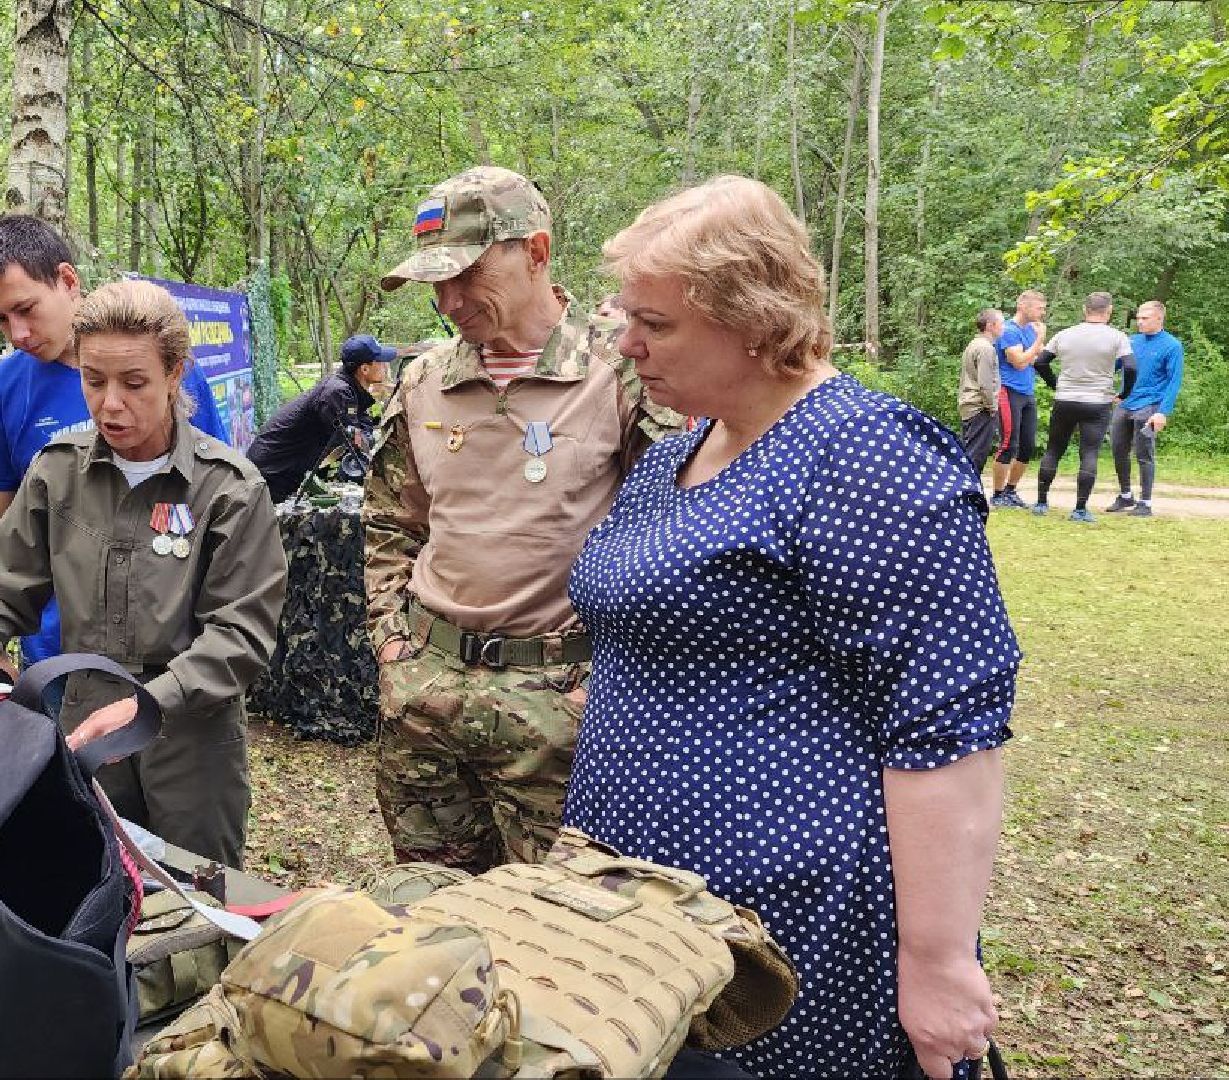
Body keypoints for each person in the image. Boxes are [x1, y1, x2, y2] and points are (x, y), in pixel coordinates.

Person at [565, 175, 1016, 1079]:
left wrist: (936, 961)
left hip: (795, 927)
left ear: (753, 320)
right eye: (626, 318)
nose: (626, 344)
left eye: (654, 323)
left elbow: (944, 729)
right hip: (639, 905)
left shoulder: (863, 454)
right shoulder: (675, 452)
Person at [363, 165, 682, 874]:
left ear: (536, 252)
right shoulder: (423, 382)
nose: (448, 301)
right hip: (425, 702)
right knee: (435, 909)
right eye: (434, 283)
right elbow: (390, 522)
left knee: (551, 920)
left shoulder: (621, 372)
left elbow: (673, 539)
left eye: (467, 274)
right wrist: (391, 646)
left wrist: (609, 683)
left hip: (559, 712)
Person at [0, 279, 287, 867]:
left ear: (175, 374)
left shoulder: (228, 489)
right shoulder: (57, 474)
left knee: (194, 894)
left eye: (134, 383)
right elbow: (4, 590)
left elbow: (241, 633)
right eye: (94, 381)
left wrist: (149, 704)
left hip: (191, 737)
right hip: (85, 721)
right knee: (91, 881)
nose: (110, 404)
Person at [0, 214, 231, 664]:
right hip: (55, 653)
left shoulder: (168, 373)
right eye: (0, 319)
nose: (17, 334)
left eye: (26, 309)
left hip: (169, 652)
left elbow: (214, 498)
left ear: (67, 280)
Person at [245, 333, 394, 503]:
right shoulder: (337, 392)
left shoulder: (350, 389)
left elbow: (362, 430)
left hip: (287, 470)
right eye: (380, 361)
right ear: (364, 369)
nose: (385, 366)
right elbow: (353, 443)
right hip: (272, 473)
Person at [1033, 292, 1132, 521]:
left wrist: (1055, 384)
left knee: (1053, 449)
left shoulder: (1065, 334)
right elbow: (1131, 367)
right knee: (1089, 452)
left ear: (1084, 310)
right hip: (1097, 402)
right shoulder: (1117, 337)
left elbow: (1040, 362)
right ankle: (1079, 509)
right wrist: (1124, 393)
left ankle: (1041, 503)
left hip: (1066, 399)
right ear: (1109, 311)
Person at [1107, 300, 1185, 517]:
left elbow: (1174, 382)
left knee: (1143, 453)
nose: (1139, 322)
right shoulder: (1131, 341)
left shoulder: (1172, 345)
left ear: (1159, 318)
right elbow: (1112, 367)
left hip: (1150, 406)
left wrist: (1162, 412)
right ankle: (1125, 496)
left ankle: (1145, 503)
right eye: (1138, 318)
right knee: (1118, 450)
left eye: (1145, 318)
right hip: (1125, 403)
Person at [990, 289, 1047, 508]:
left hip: (1027, 392)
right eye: (1039, 308)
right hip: (1008, 391)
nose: (1042, 313)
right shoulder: (1009, 330)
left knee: (1027, 446)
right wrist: (1038, 341)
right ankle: (997, 495)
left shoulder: (1031, 330)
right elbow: (1020, 362)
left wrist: (1031, 351)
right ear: (1023, 306)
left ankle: (1010, 490)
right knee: (1008, 444)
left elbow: (1040, 359)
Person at [957, 308, 1004, 481]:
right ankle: (968, 489)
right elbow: (985, 383)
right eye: (1001, 323)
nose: (1004, 327)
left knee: (970, 453)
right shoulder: (985, 348)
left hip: (970, 406)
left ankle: (966, 487)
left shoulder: (974, 344)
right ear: (990, 325)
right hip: (979, 408)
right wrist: (992, 407)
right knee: (976, 456)